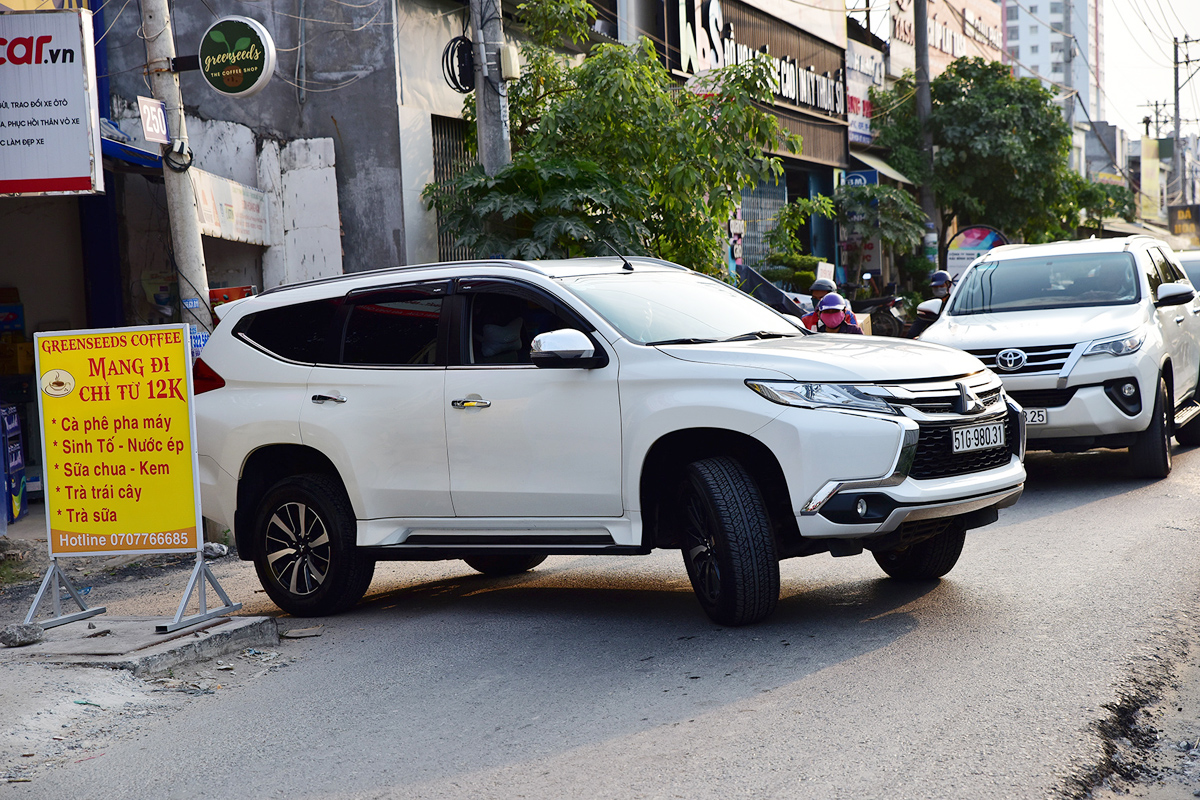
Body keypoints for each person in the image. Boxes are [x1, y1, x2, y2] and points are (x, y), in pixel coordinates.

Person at [905, 270, 952, 339]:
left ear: (948, 285)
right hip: (933, 338)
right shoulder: (928, 304)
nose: (938, 288)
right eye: (935, 287)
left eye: (941, 286)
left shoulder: (954, 302)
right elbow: (918, 325)